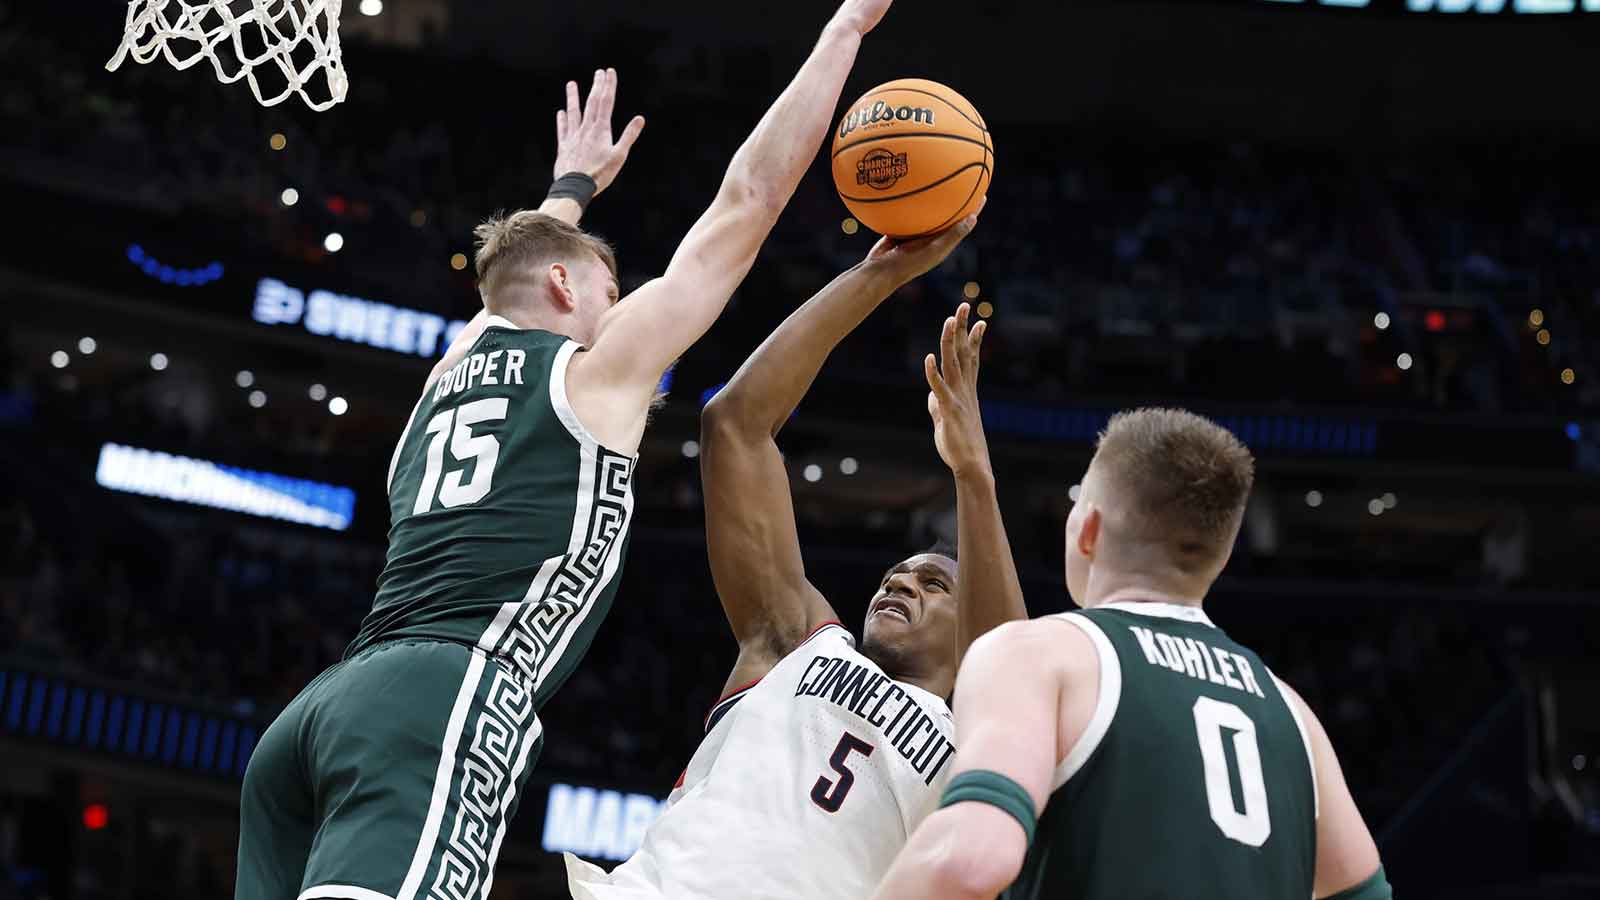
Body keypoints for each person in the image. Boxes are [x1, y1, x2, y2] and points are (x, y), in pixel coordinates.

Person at [236, 0, 896, 892]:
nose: (618, 299)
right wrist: (841, 36)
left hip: (317, 714)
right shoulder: (595, 373)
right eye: (608, 280)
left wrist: (569, 189)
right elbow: (750, 199)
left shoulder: (448, 371)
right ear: (560, 282)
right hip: (449, 694)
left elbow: (505, 279)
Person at [567, 212, 1030, 899]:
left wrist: (973, 475)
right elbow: (737, 425)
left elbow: (1009, 662)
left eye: (933, 583)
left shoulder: (983, 753)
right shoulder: (800, 643)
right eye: (894, 576)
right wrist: (880, 274)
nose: (899, 584)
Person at [872, 408, 1393, 900]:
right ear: (1221, 554)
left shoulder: (1041, 654)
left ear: (1089, 530)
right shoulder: (1294, 714)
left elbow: (972, 859)